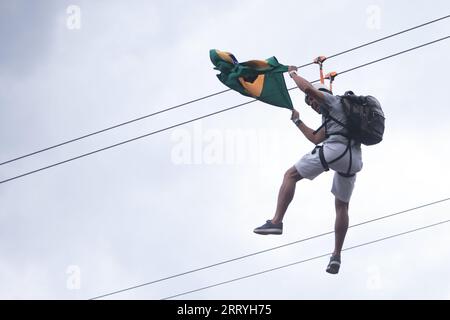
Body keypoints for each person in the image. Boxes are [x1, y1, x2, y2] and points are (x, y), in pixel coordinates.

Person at [253, 65, 363, 274]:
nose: (312, 104)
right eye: (310, 103)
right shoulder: (338, 115)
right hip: (353, 160)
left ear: (322, 95)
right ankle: (336, 255)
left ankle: (276, 222)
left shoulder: (332, 100)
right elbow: (315, 137)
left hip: (336, 150)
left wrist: (293, 73)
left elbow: (308, 89)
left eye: (313, 101)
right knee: (342, 206)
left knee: (290, 175)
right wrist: (297, 120)